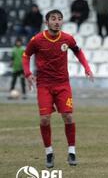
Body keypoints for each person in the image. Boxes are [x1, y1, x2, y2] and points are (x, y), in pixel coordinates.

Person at [22, 9, 93, 168]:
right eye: (53, 19)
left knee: (68, 117)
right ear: (47, 23)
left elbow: (78, 52)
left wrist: (87, 68)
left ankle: (72, 152)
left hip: (62, 84)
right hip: (44, 85)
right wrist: (27, 73)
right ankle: (49, 153)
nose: (57, 21)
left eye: (59, 19)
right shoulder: (37, 40)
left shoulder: (67, 38)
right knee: (45, 119)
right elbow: (26, 56)